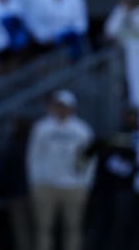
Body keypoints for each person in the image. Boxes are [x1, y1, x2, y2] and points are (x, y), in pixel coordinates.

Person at [26, 89, 95, 250]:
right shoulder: (42, 128)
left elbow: (90, 159)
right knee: (44, 227)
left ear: (72, 108)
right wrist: (35, 182)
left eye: (65, 106)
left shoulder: (82, 130)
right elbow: (33, 156)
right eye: (59, 105)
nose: (62, 109)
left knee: (73, 227)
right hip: (46, 185)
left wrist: (85, 183)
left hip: (74, 186)